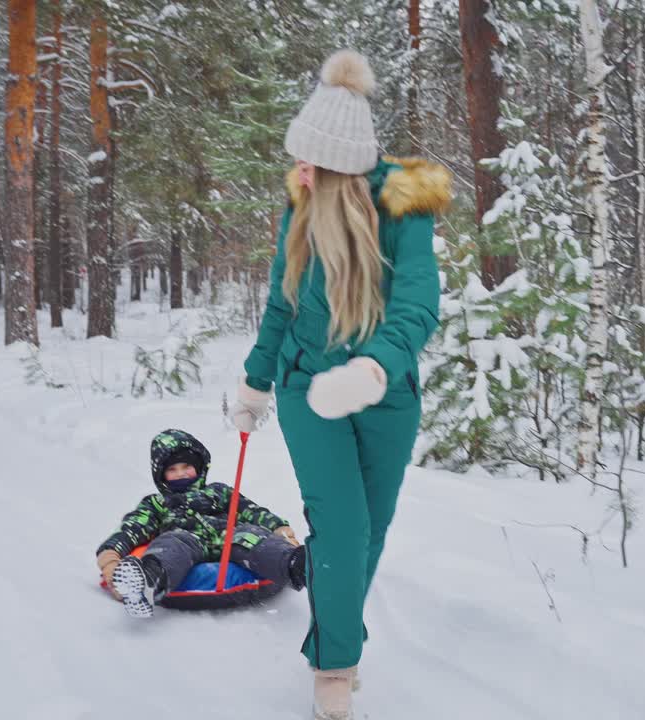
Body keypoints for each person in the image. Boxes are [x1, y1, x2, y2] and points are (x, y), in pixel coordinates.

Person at [231, 50, 449, 720]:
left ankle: (332, 634)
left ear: (338, 165)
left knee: (372, 530)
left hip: (387, 392)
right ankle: (335, 666)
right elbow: (281, 303)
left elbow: (418, 302)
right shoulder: (297, 209)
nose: (297, 170)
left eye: (309, 161)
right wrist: (255, 382)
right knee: (342, 526)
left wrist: (374, 368)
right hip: (306, 389)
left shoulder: (403, 210)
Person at [96, 429, 305, 618]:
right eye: (172, 469)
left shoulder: (219, 491)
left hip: (229, 534)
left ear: (198, 467)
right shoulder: (157, 502)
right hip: (186, 538)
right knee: (170, 544)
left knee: (251, 535)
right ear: (161, 475)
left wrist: (281, 530)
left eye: (186, 466)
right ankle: (149, 582)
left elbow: (251, 511)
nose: (180, 473)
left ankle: (296, 565)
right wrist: (110, 555)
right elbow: (133, 527)